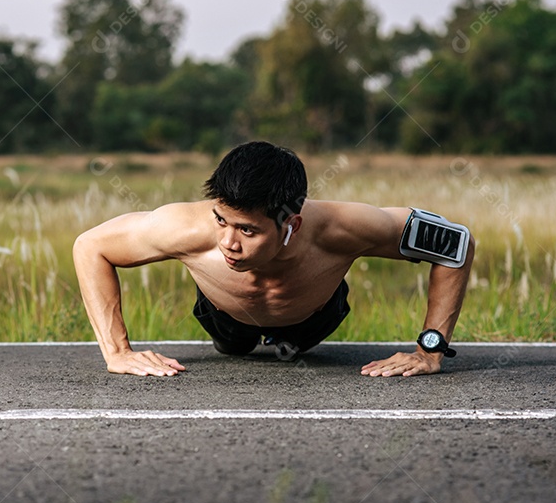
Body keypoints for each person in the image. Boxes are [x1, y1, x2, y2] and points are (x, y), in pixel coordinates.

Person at [73, 141, 474, 377]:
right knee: (232, 349)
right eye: (221, 221)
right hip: (224, 316)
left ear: (291, 224)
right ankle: (239, 337)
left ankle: (289, 338)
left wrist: (429, 350)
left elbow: (457, 243)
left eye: (247, 230)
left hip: (314, 316)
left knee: (302, 346)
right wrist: (118, 352)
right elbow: (91, 247)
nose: (228, 242)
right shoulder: (181, 227)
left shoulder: (344, 227)